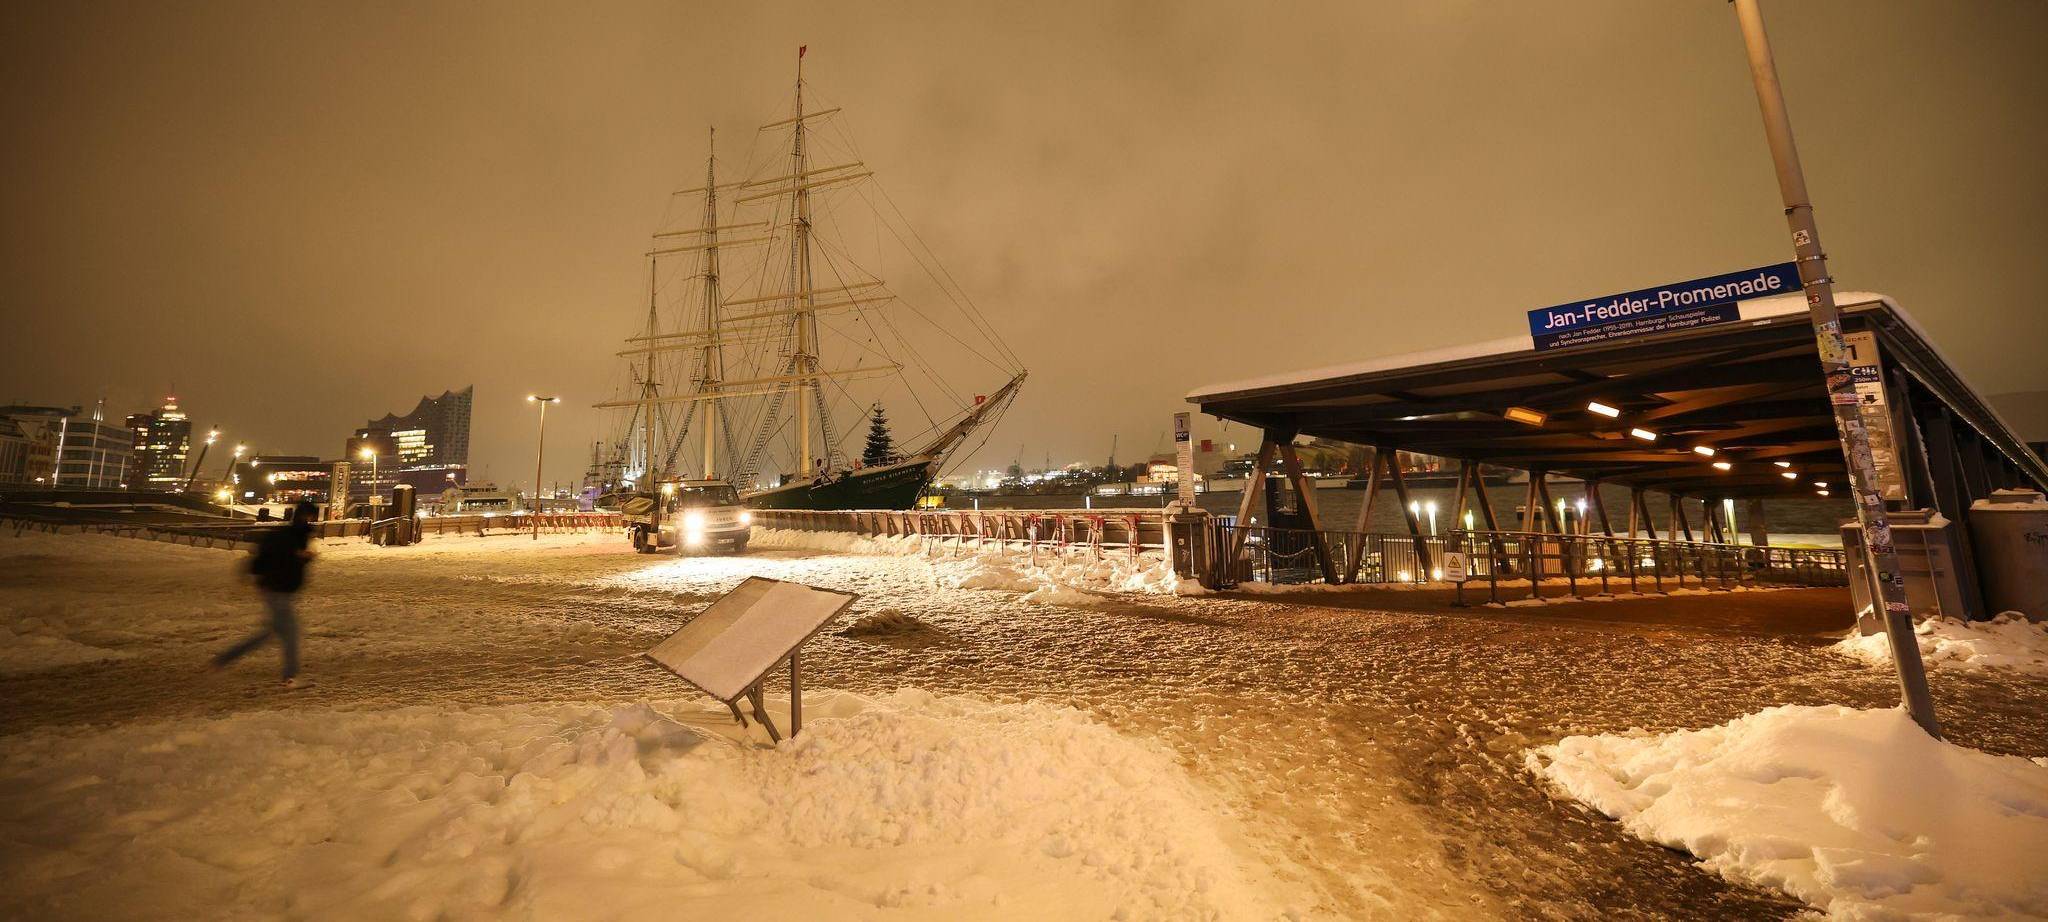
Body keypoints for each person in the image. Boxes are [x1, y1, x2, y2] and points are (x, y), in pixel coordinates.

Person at [213, 499, 318, 686]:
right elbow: (287, 563)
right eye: (311, 517)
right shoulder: (295, 536)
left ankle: (224, 659)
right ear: (306, 516)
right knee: (291, 634)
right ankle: (290, 677)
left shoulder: (287, 534)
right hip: (280, 591)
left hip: (272, 589)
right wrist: (304, 558)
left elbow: (271, 558)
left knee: (269, 635)